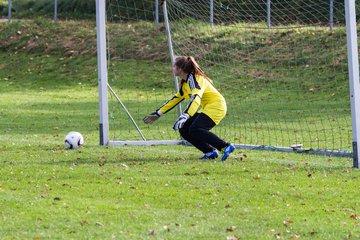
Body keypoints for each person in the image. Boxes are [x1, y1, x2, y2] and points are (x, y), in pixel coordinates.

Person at [143, 56, 235, 161]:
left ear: (180, 69)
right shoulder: (186, 82)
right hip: (207, 107)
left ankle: (225, 146)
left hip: (217, 106)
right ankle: (210, 152)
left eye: (174, 66)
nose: (172, 68)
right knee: (184, 129)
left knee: (196, 129)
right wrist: (158, 113)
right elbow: (176, 98)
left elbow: (196, 99)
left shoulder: (195, 79)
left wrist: (186, 115)